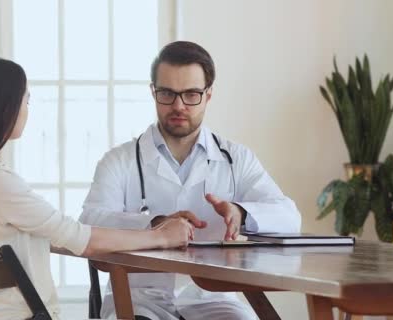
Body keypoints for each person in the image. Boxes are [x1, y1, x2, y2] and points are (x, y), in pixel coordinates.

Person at [0, 56, 197, 320]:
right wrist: (162, 236)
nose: (27, 108)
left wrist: (147, 231)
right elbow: (81, 240)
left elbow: (59, 237)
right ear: (4, 107)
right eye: (26, 99)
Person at [79, 41, 302, 320]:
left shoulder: (236, 159)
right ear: (153, 92)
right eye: (167, 94)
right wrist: (155, 225)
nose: (178, 105)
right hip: (138, 299)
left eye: (191, 95)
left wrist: (241, 212)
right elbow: (88, 222)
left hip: (211, 299)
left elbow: (289, 217)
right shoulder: (119, 160)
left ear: (208, 95)